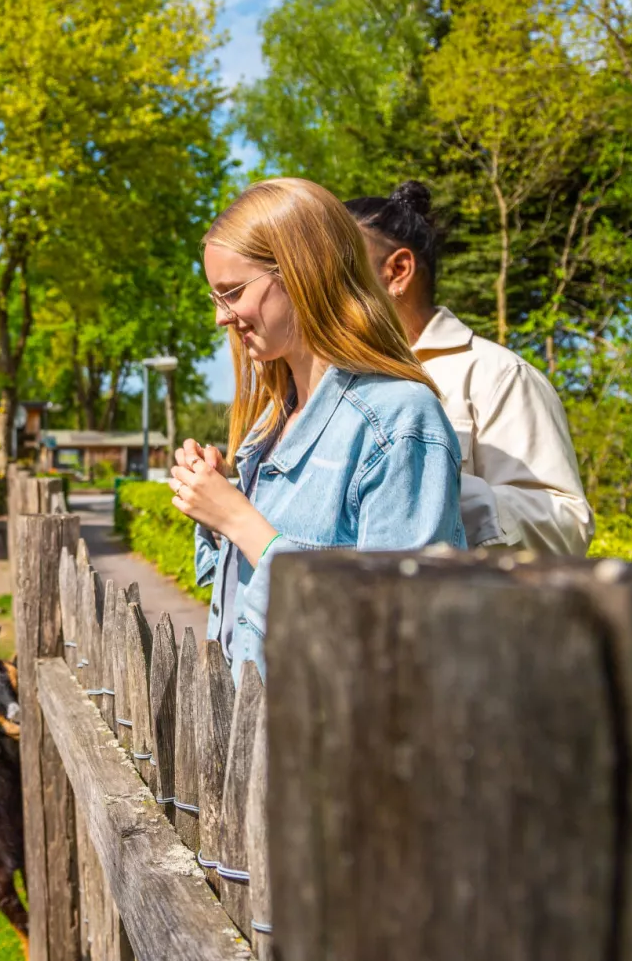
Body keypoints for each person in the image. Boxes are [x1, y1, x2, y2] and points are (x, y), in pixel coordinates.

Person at [170, 178, 466, 685]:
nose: (222, 316)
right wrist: (216, 508)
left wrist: (242, 521)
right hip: (252, 742)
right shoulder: (272, 421)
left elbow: (397, 627)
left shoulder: (399, 421)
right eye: (215, 296)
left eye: (233, 292)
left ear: (303, 272)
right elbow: (237, 603)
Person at [345, 182, 594, 555]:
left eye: (340, 266)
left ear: (398, 270)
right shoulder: (327, 378)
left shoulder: (499, 375)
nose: (318, 284)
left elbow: (568, 528)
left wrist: (434, 489)